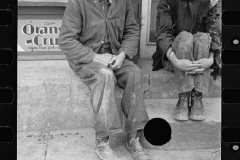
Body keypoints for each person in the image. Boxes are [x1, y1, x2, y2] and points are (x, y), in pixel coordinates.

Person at [58, 0, 151, 160]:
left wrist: (122, 55)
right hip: (87, 57)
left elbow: (132, 31)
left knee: (135, 73)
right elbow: (66, 40)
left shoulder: (124, 2)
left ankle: (133, 136)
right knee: (105, 75)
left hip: (115, 55)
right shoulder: (77, 3)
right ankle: (102, 142)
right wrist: (97, 57)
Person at [152, 0, 221, 121]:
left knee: (203, 37)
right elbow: (163, 33)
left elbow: (214, 32)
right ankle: (183, 96)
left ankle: (197, 97)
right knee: (185, 37)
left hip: (202, 53)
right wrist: (176, 61)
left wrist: (210, 60)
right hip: (174, 55)